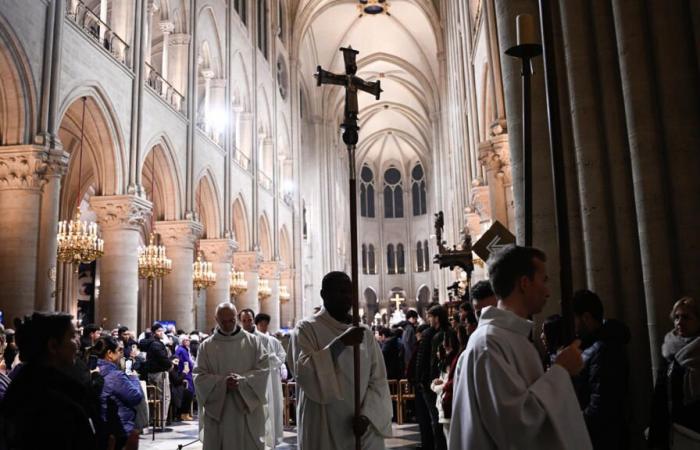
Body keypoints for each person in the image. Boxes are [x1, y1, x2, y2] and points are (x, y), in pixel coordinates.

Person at [449, 245, 591, 449]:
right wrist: (561, 371)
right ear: (524, 283)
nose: (548, 291)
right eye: (544, 280)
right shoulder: (490, 342)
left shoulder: (509, 337)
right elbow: (515, 426)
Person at [287, 271, 392, 450]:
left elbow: (378, 380)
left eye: (349, 292)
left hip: (361, 426)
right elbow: (304, 372)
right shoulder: (306, 329)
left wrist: (368, 415)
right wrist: (340, 344)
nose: (347, 297)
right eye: (340, 291)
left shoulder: (364, 333)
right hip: (323, 422)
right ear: (323, 295)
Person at [0, 312, 97, 449]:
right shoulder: (53, 403)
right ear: (53, 345)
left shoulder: (23, 385)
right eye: (72, 336)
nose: (78, 342)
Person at [194, 302, 269, 450]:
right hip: (219, 412)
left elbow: (263, 370)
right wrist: (223, 383)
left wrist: (242, 382)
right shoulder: (206, 345)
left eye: (231, 320)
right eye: (223, 321)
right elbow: (199, 376)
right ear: (216, 319)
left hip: (246, 409)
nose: (228, 324)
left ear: (236, 317)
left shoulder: (253, 342)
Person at [570, 289, 630, 450]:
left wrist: (573, 425)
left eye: (573, 319)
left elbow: (601, 404)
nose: (572, 326)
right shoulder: (595, 346)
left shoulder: (604, 349)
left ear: (586, 318)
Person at [649, 296, 700, 449]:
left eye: (686, 317)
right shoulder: (670, 352)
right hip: (675, 432)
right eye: (676, 317)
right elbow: (660, 398)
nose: (679, 322)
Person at [93, 336, 144, 449]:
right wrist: (133, 377)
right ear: (109, 353)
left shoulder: (94, 370)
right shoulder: (115, 376)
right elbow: (135, 397)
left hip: (101, 428)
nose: (121, 354)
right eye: (119, 350)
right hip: (119, 428)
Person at [254, 312, 287, 448]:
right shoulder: (252, 339)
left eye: (266, 324)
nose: (264, 326)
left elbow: (282, 357)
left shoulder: (273, 341)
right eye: (261, 324)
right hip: (257, 380)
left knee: (273, 408)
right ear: (257, 325)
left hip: (272, 380)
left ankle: (272, 441)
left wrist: (272, 358)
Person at [430, 328, 460, 443]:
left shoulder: (454, 360)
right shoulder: (445, 362)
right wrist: (435, 384)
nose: (443, 345)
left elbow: (448, 384)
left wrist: (436, 386)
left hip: (449, 403)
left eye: (445, 341)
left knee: (452, 440)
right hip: (443, 403)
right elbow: (442, 382)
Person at [140, 322, 171, 428]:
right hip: (159, 374)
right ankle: (161, 422)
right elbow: (162, 358)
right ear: (154, 333)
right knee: (164, 398)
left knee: (155, 398)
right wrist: (170, 364)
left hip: (152, 373)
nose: (161, 332)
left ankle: (155, 420)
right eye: (159, 331)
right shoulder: (156, 344)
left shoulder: (150, 343)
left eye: (162, 330)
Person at [174, 335, 195, 421]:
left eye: (188, 340)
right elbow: (184, 362)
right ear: (182, 341)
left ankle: (186, 413)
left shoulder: (185, 349)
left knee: (190, 393)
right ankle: (183, 413)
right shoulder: (181, 350)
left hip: (188, 373)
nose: (188, 342)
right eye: (186, 340)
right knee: (188, 393)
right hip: (185, 373)